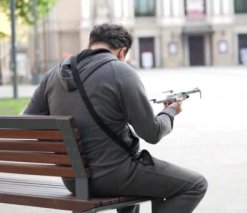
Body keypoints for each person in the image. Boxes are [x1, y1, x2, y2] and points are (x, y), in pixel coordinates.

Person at [24, 23, 207, 213]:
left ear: (91, 44)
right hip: (114, 176)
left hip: (73, 180)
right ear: (122, 52)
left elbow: (27, 124)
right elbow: (152, 134)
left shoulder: (52, 75)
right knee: (195, 185)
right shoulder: (121, 71)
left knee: (137, 170)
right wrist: (170, 112)